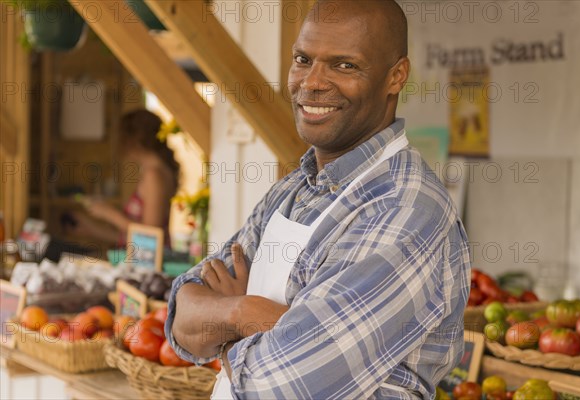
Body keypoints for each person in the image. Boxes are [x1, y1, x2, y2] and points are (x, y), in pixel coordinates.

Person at [166, 1, 471, 398]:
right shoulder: (292, 190)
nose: (311, 82)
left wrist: (224, 329)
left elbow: (278, 385)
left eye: (344, 65)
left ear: (396, 76)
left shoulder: (405, 208)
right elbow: (180, 321)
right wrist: (242, 312)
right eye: (303, 59)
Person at [68, 109, 179, 247]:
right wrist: (92, 229)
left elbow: (151, 235)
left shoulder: (154, 175)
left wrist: (108, 212)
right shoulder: (154, 172)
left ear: (133, 141)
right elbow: (136, 238)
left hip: (150, 263)